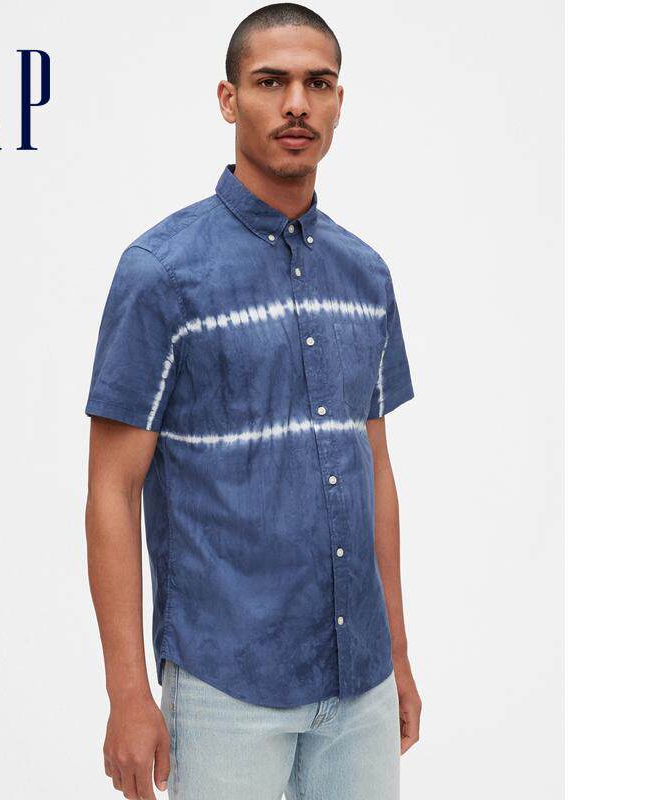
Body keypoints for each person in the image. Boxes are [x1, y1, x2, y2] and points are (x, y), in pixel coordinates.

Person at [84, 4, 421, 798]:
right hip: (225, 685)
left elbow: (374, 468)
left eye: (318, 83)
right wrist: (127, 694)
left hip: (360, 680)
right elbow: (111, 489)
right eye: (271, 82)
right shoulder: (161, 273)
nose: (297, 103)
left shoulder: (366, 275)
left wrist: (398, 656)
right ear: (229, 99)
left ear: (339, 101)